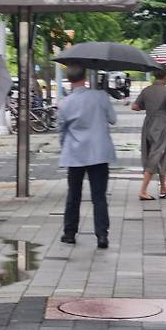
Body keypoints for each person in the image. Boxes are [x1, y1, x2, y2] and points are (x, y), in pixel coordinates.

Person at [59, 65, 116, 249]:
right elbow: (113, 119)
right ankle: (101, 235)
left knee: (73, 194)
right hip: (99, 153)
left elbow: (62, 130)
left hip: (75, 153)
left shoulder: (65, 103)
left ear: (68, 80)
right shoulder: (100, 97)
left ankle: (69, 233)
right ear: (85, 77)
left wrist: (64, 147)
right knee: (99, 196)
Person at [132, 68, 166, 201]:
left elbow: (135, 106)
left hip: (148, 123)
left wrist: (149, 107)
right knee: (157, 153)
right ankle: (143, 190)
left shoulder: (147, 90)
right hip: (162, 124)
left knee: (161, 155)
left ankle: (163, 188)